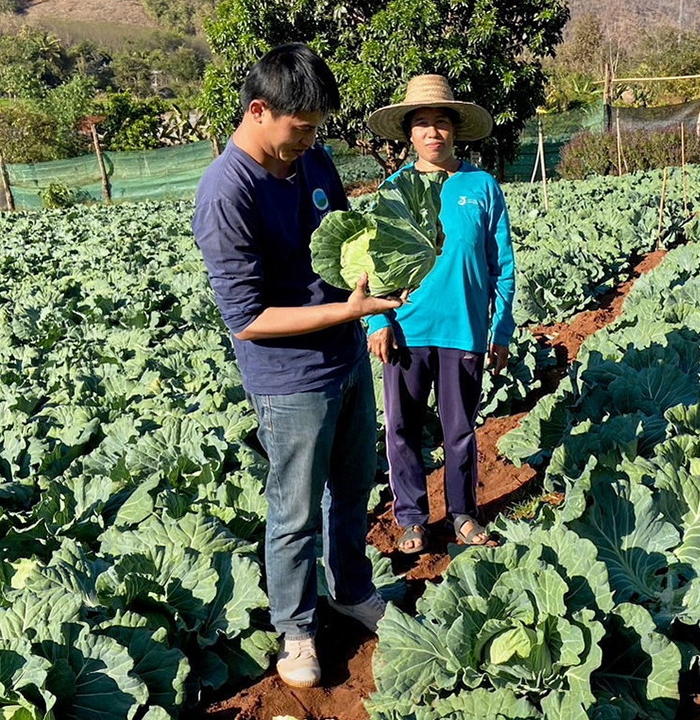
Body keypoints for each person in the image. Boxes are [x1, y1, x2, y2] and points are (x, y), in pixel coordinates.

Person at [192, 43, 401, 690]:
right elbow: (248, 319)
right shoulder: (225, 195)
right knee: (294, 510)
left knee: (352, 491)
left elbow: (343, 248)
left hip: (342, 362)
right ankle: (297, 627)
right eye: (300, 126)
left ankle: (353, 590)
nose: (309, 139)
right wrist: (349, 314)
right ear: (259, 110)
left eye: (315, 128)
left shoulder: (312, 161)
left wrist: (377, 301)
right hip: (289, 381)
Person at [365, 75, 516, 554]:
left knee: (459, 430)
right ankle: (411, 518)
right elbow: (373, 264)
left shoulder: (481, 186)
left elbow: (502, 263)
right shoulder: (394, 188)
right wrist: (376, 320)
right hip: (407, 330)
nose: (433, 133)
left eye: (441, 123)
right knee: (403, 428)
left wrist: (502, 327)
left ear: (455, 131)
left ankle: (462, 514)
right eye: (423, 124)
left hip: (464, 329)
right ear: (409, 134)